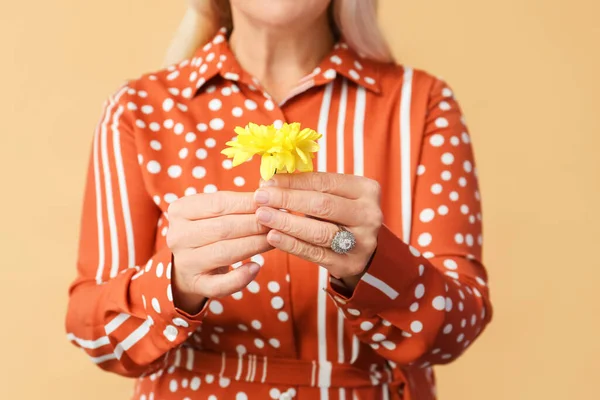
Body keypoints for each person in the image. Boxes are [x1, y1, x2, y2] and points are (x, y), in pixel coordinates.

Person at [65, 0, 493, 399]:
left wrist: (373, 266)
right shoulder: (138, 110)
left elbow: (455, 330)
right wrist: (175, 284)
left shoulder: (422, 104)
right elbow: (93, 334)